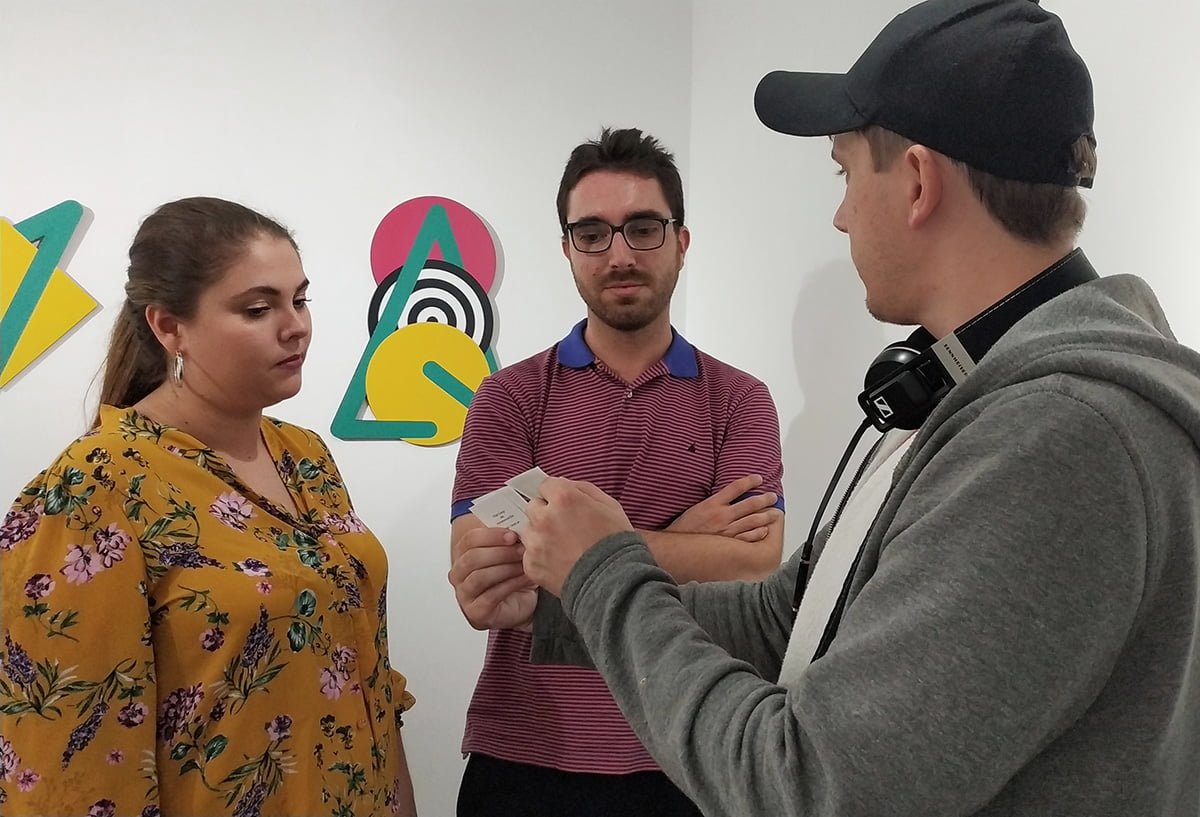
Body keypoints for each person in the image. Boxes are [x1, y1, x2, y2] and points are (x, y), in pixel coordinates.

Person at [463, 2, 1200, 816]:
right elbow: (791, 613)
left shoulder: (1054, 437)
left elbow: (807, 785)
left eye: (844, 173)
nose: (841, 213)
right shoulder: (971, 393)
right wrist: (569, 595)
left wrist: (606, 563)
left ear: (916, 182)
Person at [0, 197, 417, 817]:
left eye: (300, 300)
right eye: (258, 309)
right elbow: (65, 756)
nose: (295, 326)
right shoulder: (93, 489)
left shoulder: (306, 457)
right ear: (170, 328)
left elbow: (370, 678)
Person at [447, 127, 786, 817]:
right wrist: (685, 538)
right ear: (567, 249)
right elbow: (490, 587)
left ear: (681, 242)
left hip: (690, 749)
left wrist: (573, 551)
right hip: (527, 752)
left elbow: (755, 567)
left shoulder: (740, 400)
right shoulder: (508, 397)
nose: (621, 254)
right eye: (593, 233)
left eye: (643, 228)